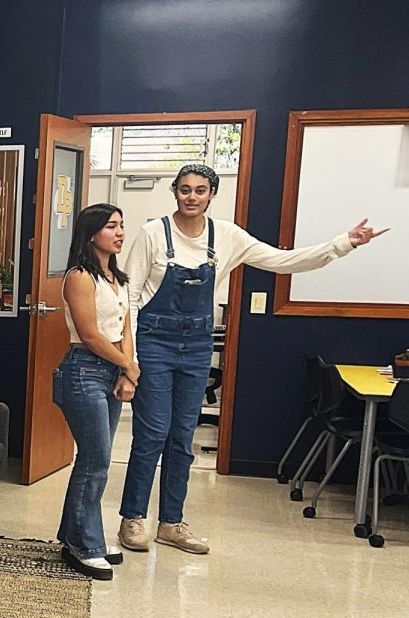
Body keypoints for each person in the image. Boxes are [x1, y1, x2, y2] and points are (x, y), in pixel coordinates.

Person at [117, 164, 387, 555]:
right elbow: (130, 296)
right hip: (154, 343)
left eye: (201, 190)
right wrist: (132, 359)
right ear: (175, 192)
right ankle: (133, 519)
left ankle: (171, 523)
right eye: (186, 189)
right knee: (152, 434)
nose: (192, 196)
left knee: (182, 439)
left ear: (212, 195)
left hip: (195, 347)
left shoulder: (226, 236)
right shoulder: (152, 233)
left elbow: (283, 261)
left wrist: (343, 243)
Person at [54, 203, 140, 580]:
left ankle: (78, 535)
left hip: (111, 370)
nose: (120, 232)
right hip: (83, 370)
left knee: (97, 462)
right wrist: (128, 364)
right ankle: (84, 545)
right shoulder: (79, 277)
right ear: (91, 234)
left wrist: (127, 372)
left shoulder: (115, 277)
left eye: (122, 225)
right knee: (95, 459)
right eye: (111, 226)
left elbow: (125, 328)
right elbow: (89, 335)